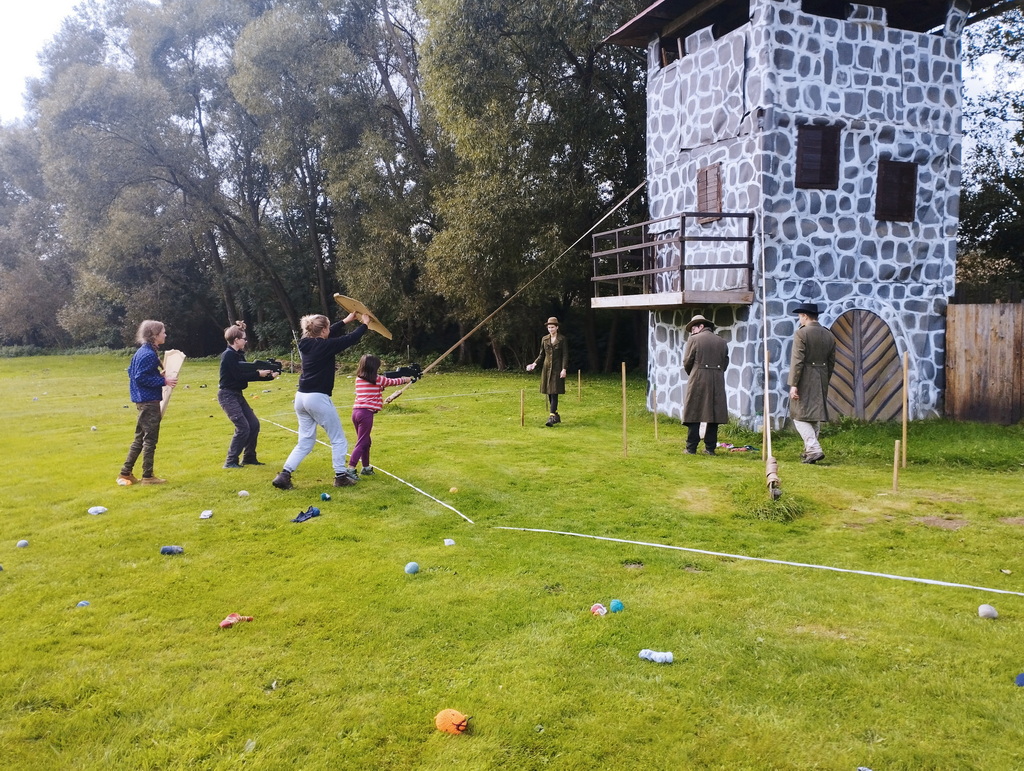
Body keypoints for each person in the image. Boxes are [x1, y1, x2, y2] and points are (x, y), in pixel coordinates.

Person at [272, 310, 369, 490]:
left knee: (305, 441)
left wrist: (345, 321)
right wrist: (365, 324)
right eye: (328, 327)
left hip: (301, 397)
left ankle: (284, 475)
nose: (329, 330)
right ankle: (341, 477)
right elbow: (350, 339)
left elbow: (329, 332)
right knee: (338, 439)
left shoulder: (305, 342)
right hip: (317, 398)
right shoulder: (325, 346)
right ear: (323, 330)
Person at [117, 320, 177, 486]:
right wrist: (164, 381)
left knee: (140, 438)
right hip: (149, 401)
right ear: (154, 335)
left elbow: (132, 372)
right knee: (150, 439)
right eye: (163, 332)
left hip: (142, 400)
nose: (165, 335)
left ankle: (125, 472)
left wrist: (158, 376)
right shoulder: (148, 354)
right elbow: (139, 377)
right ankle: (148, 476)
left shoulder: (142, 352)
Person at [218, 321, 279, 469]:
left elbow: (247, 375)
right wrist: (259, 373)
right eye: (244, 339)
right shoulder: (228, 355)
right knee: (243, 427)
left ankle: (249, 458)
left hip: (236, 394)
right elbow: (239, 375)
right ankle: (230, 461)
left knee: (254, 424)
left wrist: (269, 376)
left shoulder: (238, 355)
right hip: (227, 395)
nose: (246, 341)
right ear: (236, 340)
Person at [346, 354, 413, 477]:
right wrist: (406, 379)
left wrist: (379, 389)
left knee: (366, 441)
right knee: (362, 442)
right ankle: (350, 469)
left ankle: (366, 467)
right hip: (366, 414)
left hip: (356, 412)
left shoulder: (359, 379)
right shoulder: (378, 379)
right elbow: (392, 382)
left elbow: (371, 389)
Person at [787, 302, 837, 464]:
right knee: (814, 415)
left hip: (805, 377)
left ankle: (814, 449)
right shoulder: (828, 334)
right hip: (822, 376)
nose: (799, 319)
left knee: (799, 415)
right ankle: (810, 451)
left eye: (800, 316)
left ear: (805, 316)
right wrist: (825, 378)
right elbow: (831, 362)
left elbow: (797, 361)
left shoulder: (802, 334)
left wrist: (794, 384)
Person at [681, 314, 729, 455]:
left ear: (701, 326)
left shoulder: (694, 339)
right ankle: (710, 448)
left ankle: (691, 448)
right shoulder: (722, 342)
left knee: (694, 412)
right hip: (717, 379)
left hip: (698, 378)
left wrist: (694, 373)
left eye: (693, 329)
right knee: (714, 414)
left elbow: (687, 361)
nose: (692, 332)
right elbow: (725, 363)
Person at [526, 316, 568, 427]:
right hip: (546, 369)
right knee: (549, 392)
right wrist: (534, 364)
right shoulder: (544, 339)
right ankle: (556, 415)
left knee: (554, 392)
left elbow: (565, 355)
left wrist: (564, 369)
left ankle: (551, 417)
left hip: (557, 369)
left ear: (557, 327)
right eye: (549, 327)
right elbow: (541, 355)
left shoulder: (562, 339)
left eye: (552, 327)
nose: (551, 329)